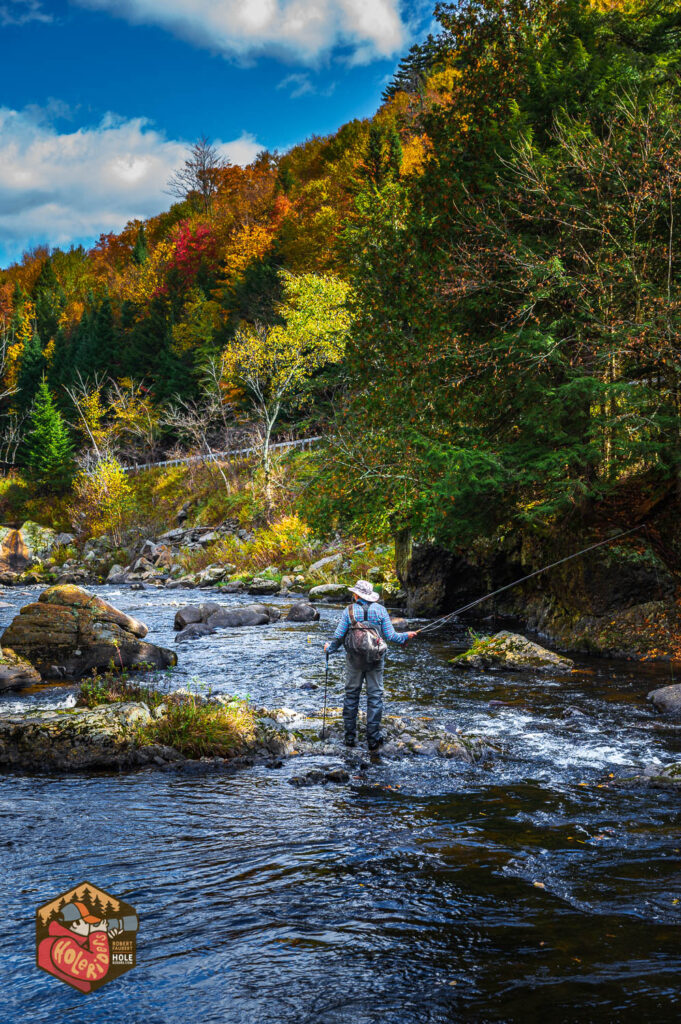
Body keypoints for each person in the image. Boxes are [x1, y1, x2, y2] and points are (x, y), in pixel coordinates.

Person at [324, 579, 416, 750]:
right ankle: (373, 739)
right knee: (375, 697)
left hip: (354, 660)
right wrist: (406, 636)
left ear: (356, 594)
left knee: (351, 695)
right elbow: (391, 636)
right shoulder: (380, 610)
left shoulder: (349, 610)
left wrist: (329, 649)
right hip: (376, 659)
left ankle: (350, 737)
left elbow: (339, 637)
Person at [37, 900, 118, 993]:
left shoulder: (66, 940)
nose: (92, 926)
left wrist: (105, 940)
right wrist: (98, 935)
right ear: (75, 924)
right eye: (88, 923)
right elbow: (96, 970)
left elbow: (82, 954)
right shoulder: (60, 945)